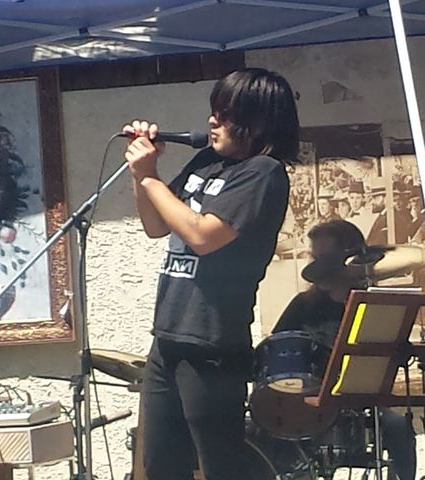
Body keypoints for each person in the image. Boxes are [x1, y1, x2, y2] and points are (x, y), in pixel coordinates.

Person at [123, 68, 300, 480]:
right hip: (168, 337)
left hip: (213, 342)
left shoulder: (262, 172)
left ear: (257, 121)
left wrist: (150, 177)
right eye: (214, 112)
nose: (212, 121)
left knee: (220, 465)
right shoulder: (206, 162)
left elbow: (203, 235)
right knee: (159, 465)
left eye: (225, 114)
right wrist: (140, 175)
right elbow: (156, 225)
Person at [273, 219, 417, 480]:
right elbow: (274, 352)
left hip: (361, 404)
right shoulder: (302, 306)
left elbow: (396, 353)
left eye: (327, 260)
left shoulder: (374, 306)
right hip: (310, 402)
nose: (320, 268)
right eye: (315, 259)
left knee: (399, 427)